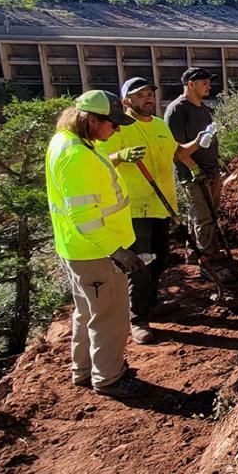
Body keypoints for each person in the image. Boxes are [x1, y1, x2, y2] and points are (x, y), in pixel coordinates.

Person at [45, 90, 144, 398]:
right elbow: (85, 217)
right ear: (89, 119)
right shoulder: (77, 157)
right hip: (97, 252)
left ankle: (85, 370)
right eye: (111, 124)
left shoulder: (65, 141)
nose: (115, 130)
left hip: (76, 249)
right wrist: (117, 252)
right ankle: (110, 377)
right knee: (110, 316)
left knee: (87, 311)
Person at [99, 77, 180, 345]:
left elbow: (174, 155)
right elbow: (101, 163)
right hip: (134, 208)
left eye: (149, 93)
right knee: (140, 265)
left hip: (161, 204)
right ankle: (138, 320)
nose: (148, 98)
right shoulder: (117, 129)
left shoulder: (159, 126)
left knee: (159, 261)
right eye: (140, 95)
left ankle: (150, 305)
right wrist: (120, 157)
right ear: (126, 102)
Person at [163, 67, 226, 272]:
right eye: (204, 82)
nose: (209, 86)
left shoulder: (202, 107)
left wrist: (218, 160)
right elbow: (175, 149)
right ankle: (209, 261)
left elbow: (208, 137)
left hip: (210, 169)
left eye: (209, 82)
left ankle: (194, 254)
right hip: (193, 174)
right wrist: (194, 168)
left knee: (202, 214)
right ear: (190, 84)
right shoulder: (176, 110)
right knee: (204, 216)